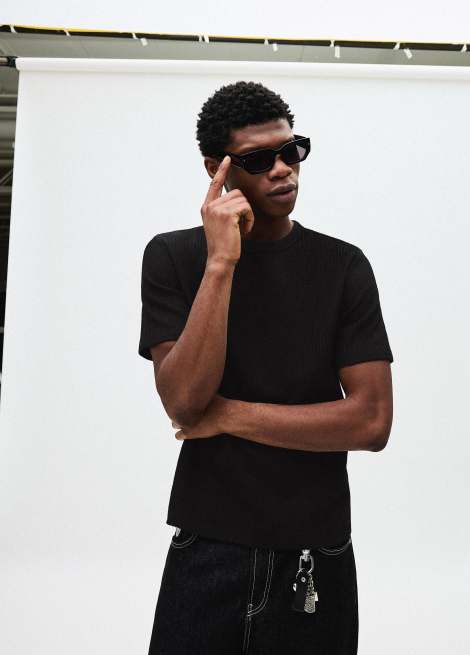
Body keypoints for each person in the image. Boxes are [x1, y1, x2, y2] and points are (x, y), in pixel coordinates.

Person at [138, 80, 394, 654]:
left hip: (315, 550)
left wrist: (227, 416)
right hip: (209, 546)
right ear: (218, 170)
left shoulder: (342, 266)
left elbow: (371, 422)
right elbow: (184, 401)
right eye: (258, 160)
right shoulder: (174, 257)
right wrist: (221, 263)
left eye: (291, 150)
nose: (283, 169)